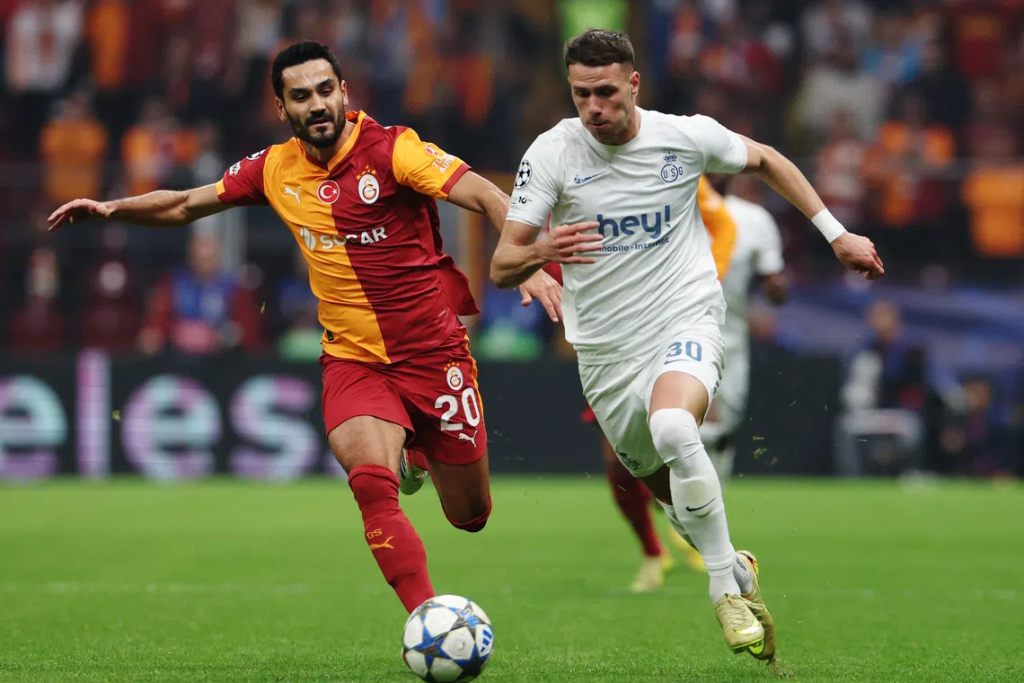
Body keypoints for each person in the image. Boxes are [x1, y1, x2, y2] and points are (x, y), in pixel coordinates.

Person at [48, 41, 560, 615]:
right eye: (300, 96)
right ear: (282, 108)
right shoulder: (274, 168)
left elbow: (486, 194)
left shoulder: (395, 150)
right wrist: (114, 208)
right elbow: (188, 204)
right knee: (371, 485)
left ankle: (417, 450)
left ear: (343, 92)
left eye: (324, 90)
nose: (316, 105)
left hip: (434, 354)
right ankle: (426, 616)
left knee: (470, 516)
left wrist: (526, 259)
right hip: (353, 360)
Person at [490, 29, 883, 661]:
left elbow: (767, 160)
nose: (593, 107)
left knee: (674, 427)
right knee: (672, 498)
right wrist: (542, 249)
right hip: (605, 351)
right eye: (581, 93)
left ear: (634, 83)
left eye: (605, 92)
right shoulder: (553, 152)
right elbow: (502, 265)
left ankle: (722, 591)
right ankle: (736, 566)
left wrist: (836, 234)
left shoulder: (683, 136)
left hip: (686, 317)